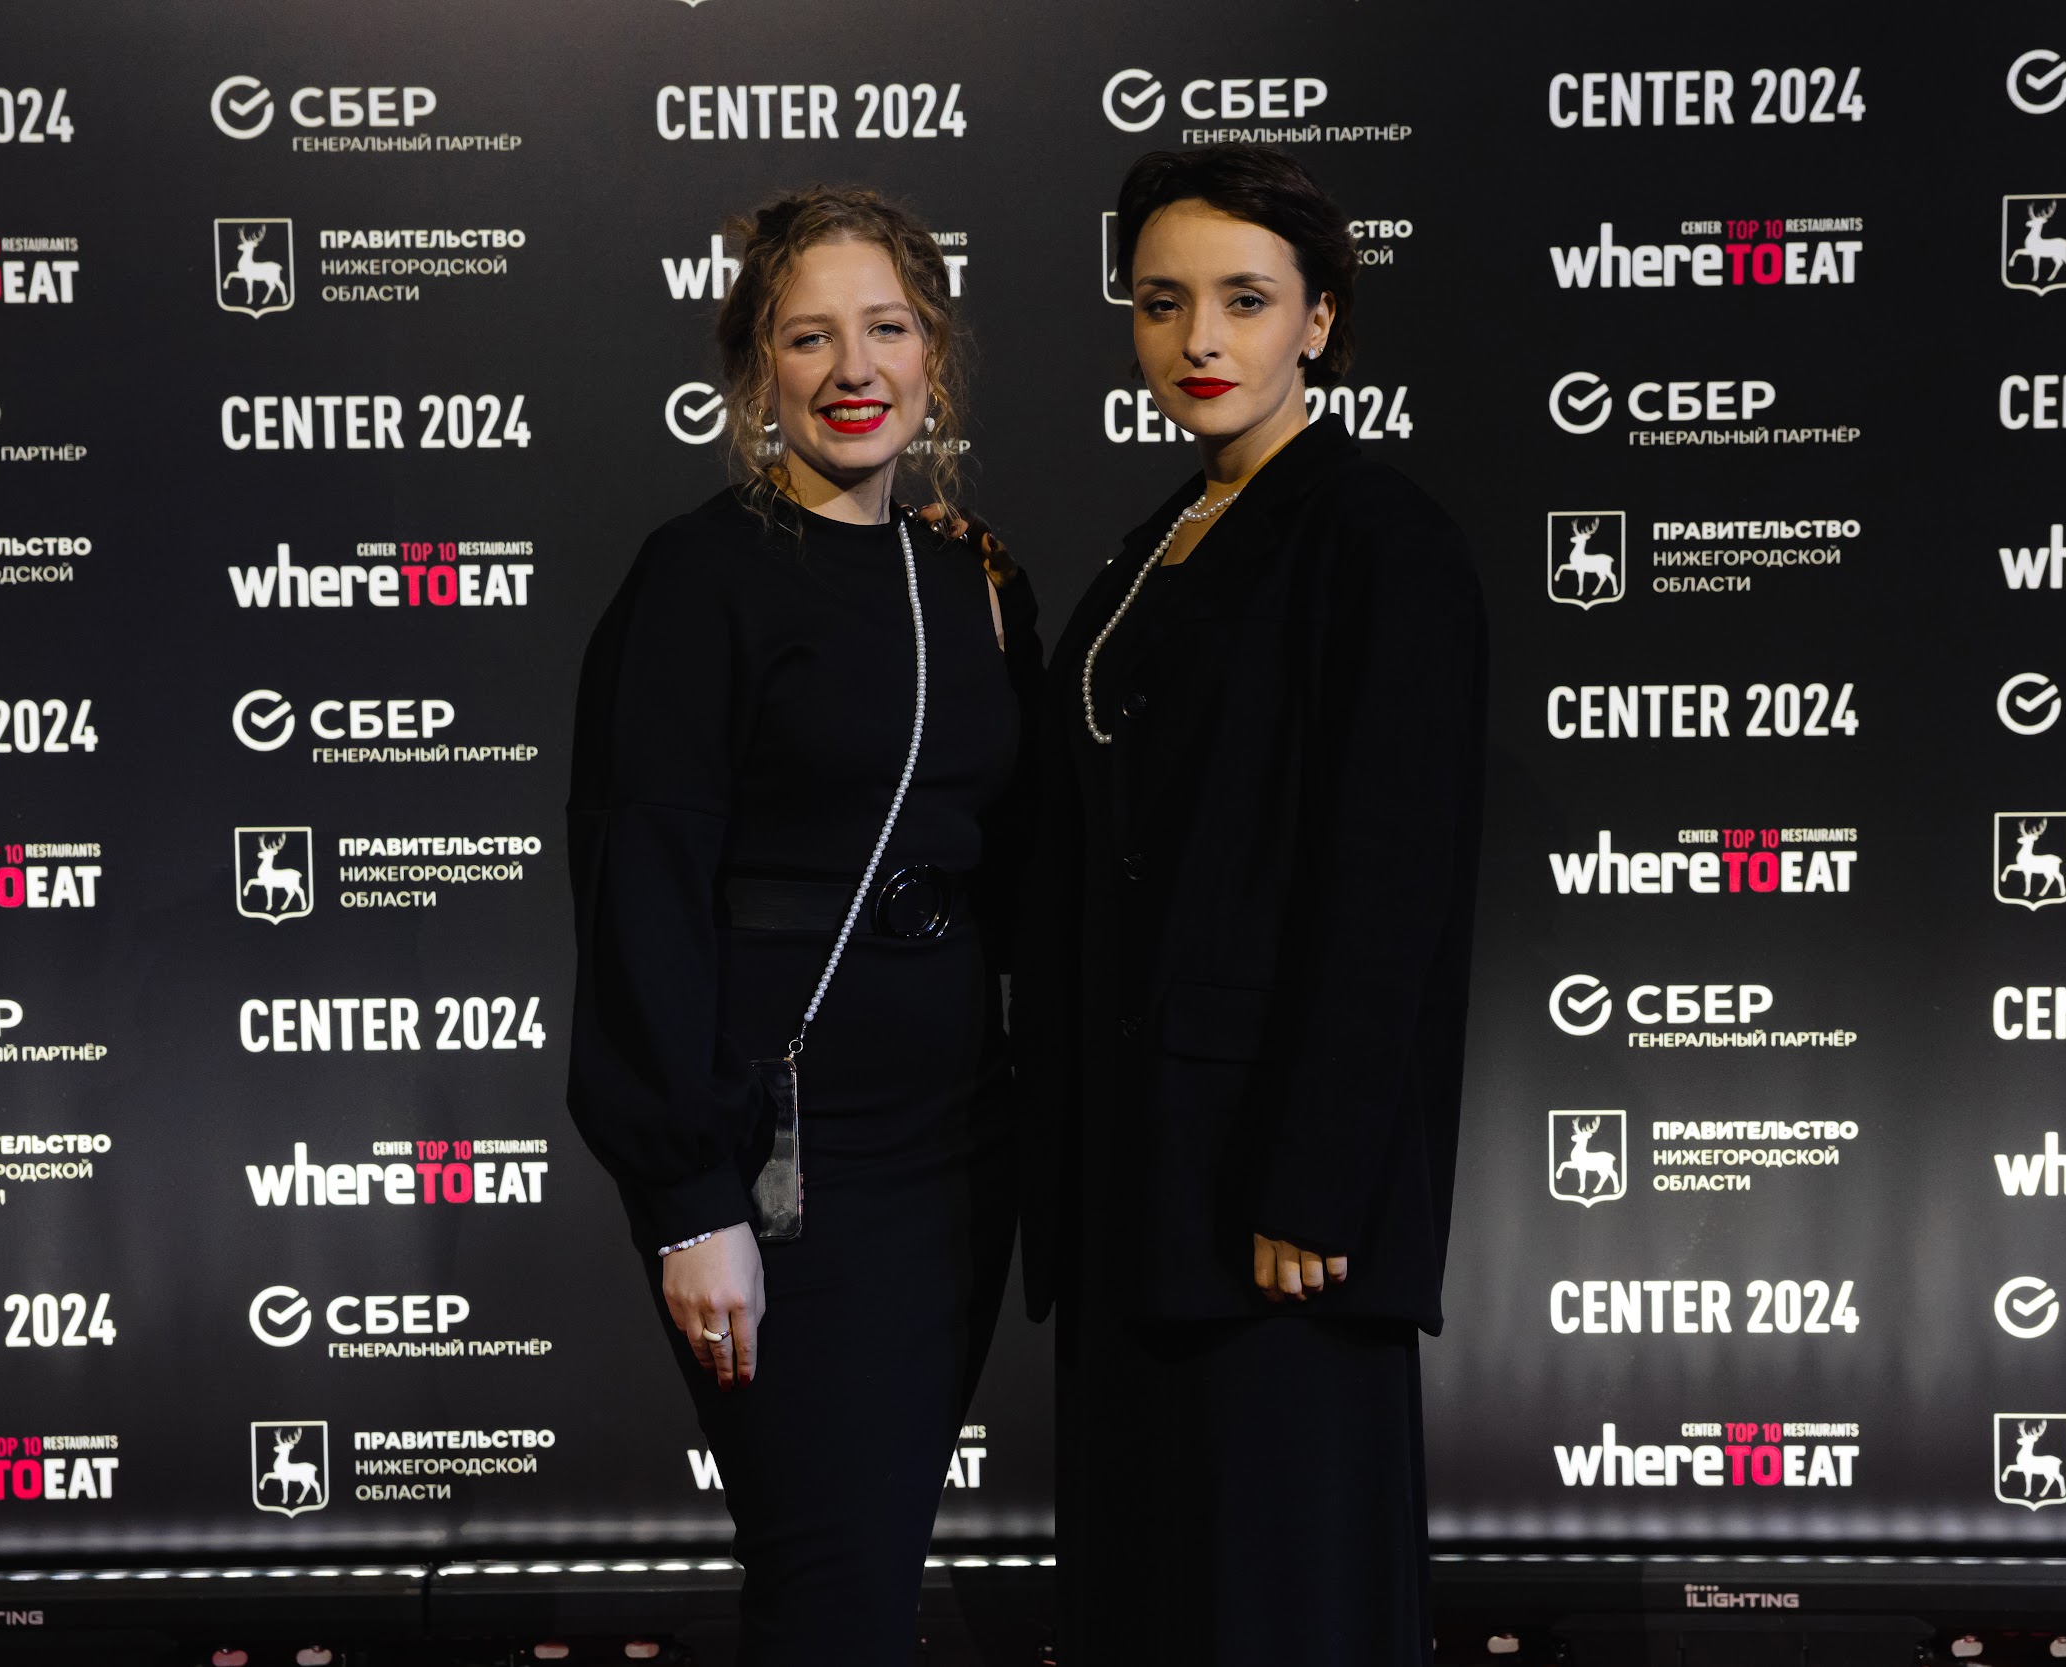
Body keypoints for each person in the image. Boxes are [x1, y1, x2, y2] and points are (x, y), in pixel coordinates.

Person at [1018, 145, 1486, 1665]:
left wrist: (1316, 1179)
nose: (1198, 340)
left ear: (1319, 322)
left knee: (1278, 1607)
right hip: (1142, 1190)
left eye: (1243, 300)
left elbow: (1390, 881)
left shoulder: (1376, 535)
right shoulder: (1166, 535)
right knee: (1153, 1604)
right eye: (1163, 303)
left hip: (1276, 1224)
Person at [565, 185, 1037, 1666]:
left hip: (957, 1161)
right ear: (753, 370)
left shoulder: (975, 578)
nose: (854, 368)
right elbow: (641, 885)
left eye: (886, 328)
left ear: (934, 352)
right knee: (830, 1590)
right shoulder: (697, 576)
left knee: (871, 1571)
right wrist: (688, 1201)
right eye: (808, 335)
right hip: (784, 1171)